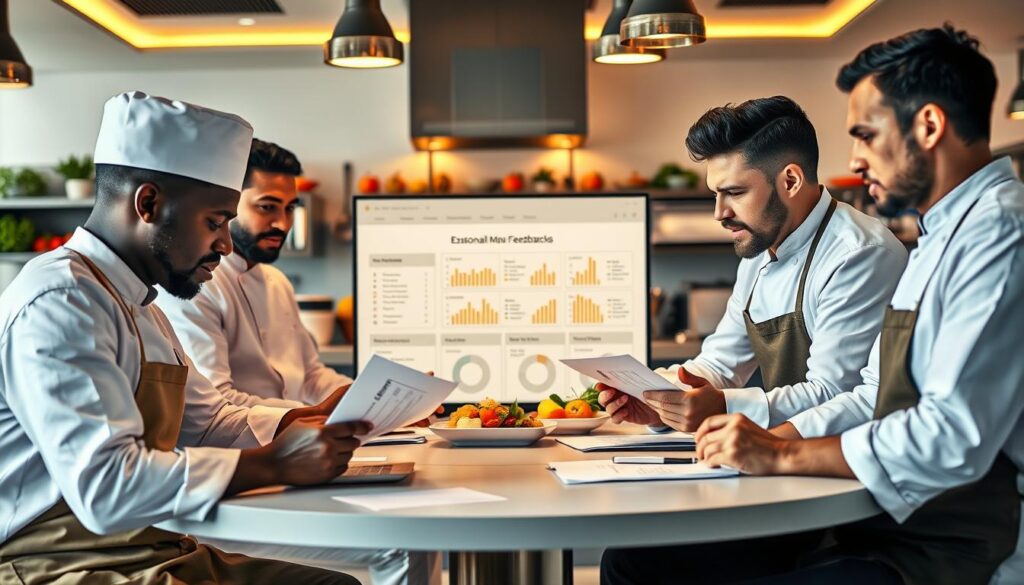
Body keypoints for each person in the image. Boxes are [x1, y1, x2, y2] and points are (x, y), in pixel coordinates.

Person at [607, 25, 1024, 585]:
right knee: (637, 562)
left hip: (957, 540)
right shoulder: (942, 235)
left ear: (928, 126)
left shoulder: (999, 232)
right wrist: (677, 405)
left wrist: (778, 453)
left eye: (865, 135)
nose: (854, 159)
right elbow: (874, 395)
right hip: (883, 517)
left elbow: (950, 437)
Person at [0, 91, 367, 584]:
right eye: (215, 221)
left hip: (152, 547)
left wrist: (307, 418)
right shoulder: (61, 300)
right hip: (62, 565)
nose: (223, 243)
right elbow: (107, 489)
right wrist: (273, 465)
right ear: (148, 203)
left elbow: (208, 419)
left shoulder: (140, 301)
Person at [157, 138, 442, 585]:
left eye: (290, 209)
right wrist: (316, 421)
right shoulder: (195, 289)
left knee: (417, 523)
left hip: (289, 464)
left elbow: (311, 375)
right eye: (268, 207)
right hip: (240, 481)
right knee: (404, 541)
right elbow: (216, 406)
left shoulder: (275, 281)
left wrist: (378, 395)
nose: (281, 222)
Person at [599, 96, 906, 436]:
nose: (720, 213)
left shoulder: (858, 254)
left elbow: (837, 394)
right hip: (783, 457)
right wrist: (661, 402)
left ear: (790, 181)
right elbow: (720, 364)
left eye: (735, 192)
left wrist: (725, 406)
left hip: (848, 467)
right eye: (716, 193)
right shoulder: (761, 246)